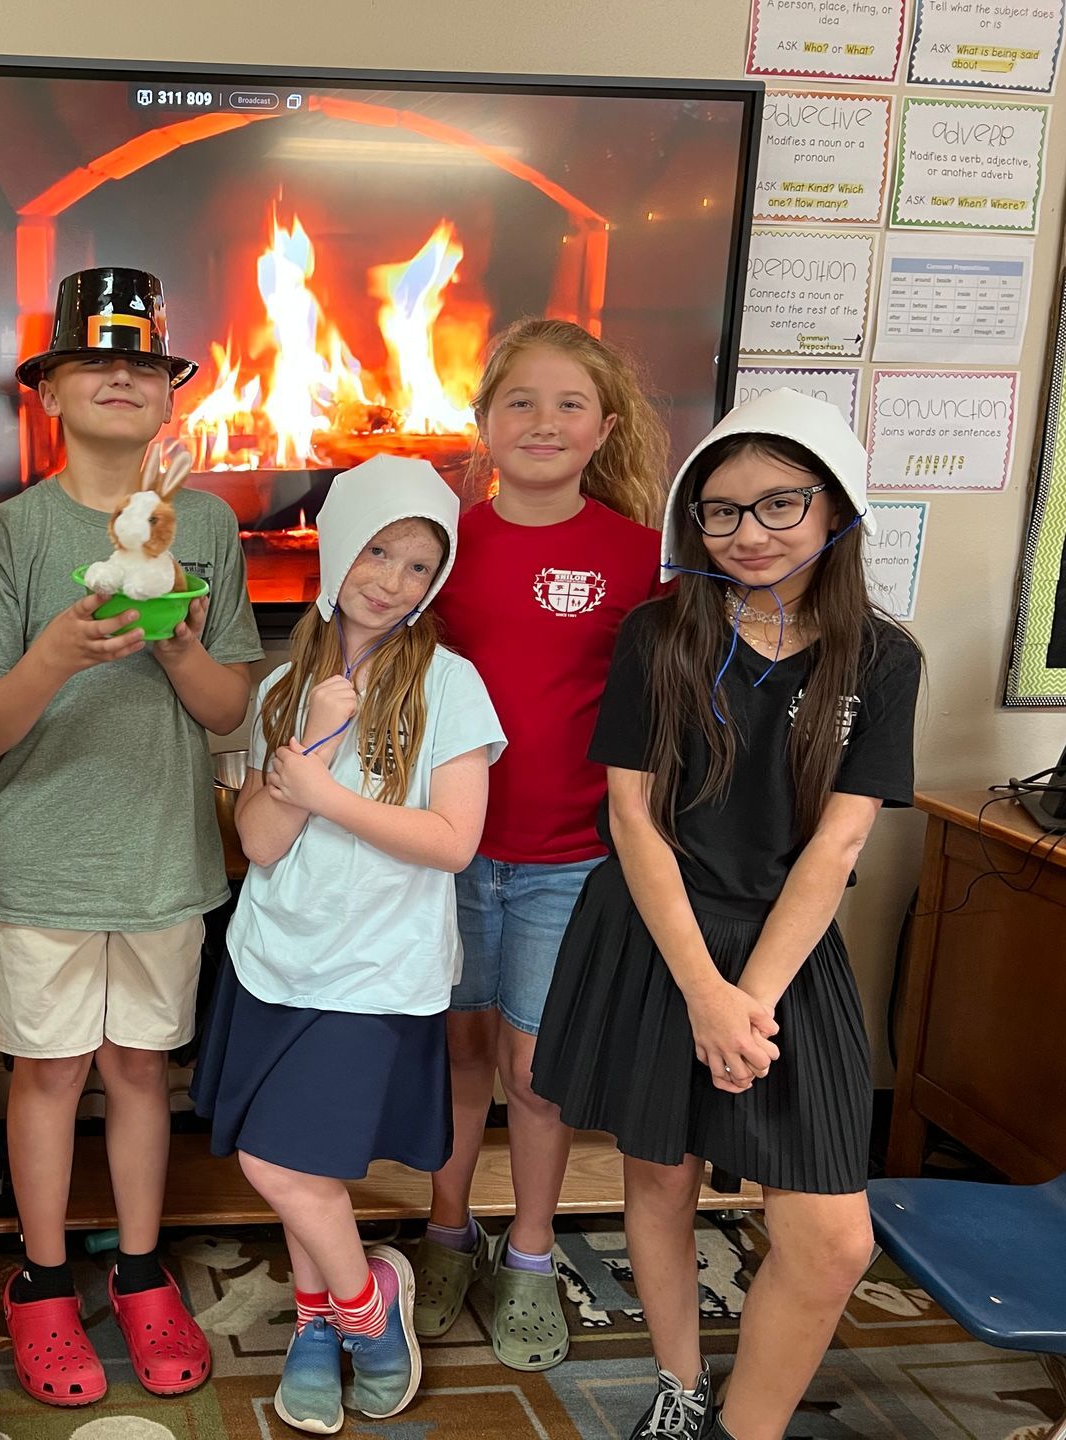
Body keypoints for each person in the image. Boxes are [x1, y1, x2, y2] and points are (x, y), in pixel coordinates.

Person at [531, 389, 921, 1440]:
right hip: (657, 936)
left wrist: (746, 1001)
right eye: (721, 511)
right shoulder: (660, 634)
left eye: (778, 506)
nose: (748, 534)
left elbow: (839, 844)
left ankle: (744, 1428)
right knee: (661, 1175)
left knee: (833, 1238)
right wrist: (703, 990)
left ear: (836, 508)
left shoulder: (884, 660)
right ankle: (677, 1383)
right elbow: (632, 813)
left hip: (787, 956)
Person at [0, 266, 262, 1405]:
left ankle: (137, 1266)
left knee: (139, 1070)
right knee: (46, 1073)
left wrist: (173, 640)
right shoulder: (6, 537)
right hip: (41, 862)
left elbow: (230, 713)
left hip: (166, 855)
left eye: (143, 364)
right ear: (51, 391)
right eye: (95, 362)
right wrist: (59, 654)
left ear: (170, 395)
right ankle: (38, 1279)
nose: (121, 378)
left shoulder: (209, 522)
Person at [193, 455, 505, 1433]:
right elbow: (258, 840)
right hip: (274, 960)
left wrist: (325, 791)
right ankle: (326, 1319)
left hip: (376, 974)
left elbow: (453, 841)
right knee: (300, 1162)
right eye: (380, 552)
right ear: (339, 548)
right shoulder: (287, 684)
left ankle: (365, 1311)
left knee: (283, 1164)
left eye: (420, 566)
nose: (395, 581)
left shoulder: (450, 685)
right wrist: (317, 741)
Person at [421, 317, 669, 1368]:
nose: (543, 422)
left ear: (604, 426)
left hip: (569, 858)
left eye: (571, 404)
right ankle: (444, 1230)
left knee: (538, 1067)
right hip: (441, 850)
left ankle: (528, 1253)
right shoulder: (439, 546)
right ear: (483, 423)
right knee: (454, 1049)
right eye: (519, 401)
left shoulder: (640, 556)